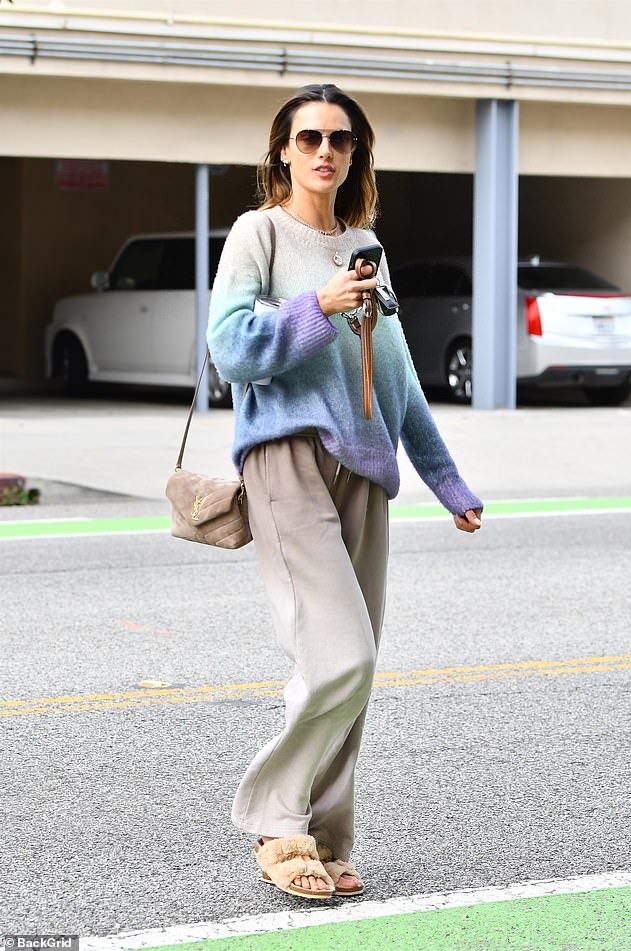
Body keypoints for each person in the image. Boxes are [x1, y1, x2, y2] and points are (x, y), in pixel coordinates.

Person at [207, 83, 483, 901]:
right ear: (283, 152)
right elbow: (230, 348)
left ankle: (325, 834)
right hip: (287, 458)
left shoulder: (366, 245)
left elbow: (396, 377)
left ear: (355, 153)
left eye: (340, 138)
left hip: (364, 469)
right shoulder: (259, 233)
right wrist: (317, 307)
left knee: (356, 670)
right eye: (308, 138)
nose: (324, 150)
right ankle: (277, 817)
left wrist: (446, 477)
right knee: (340, 651)